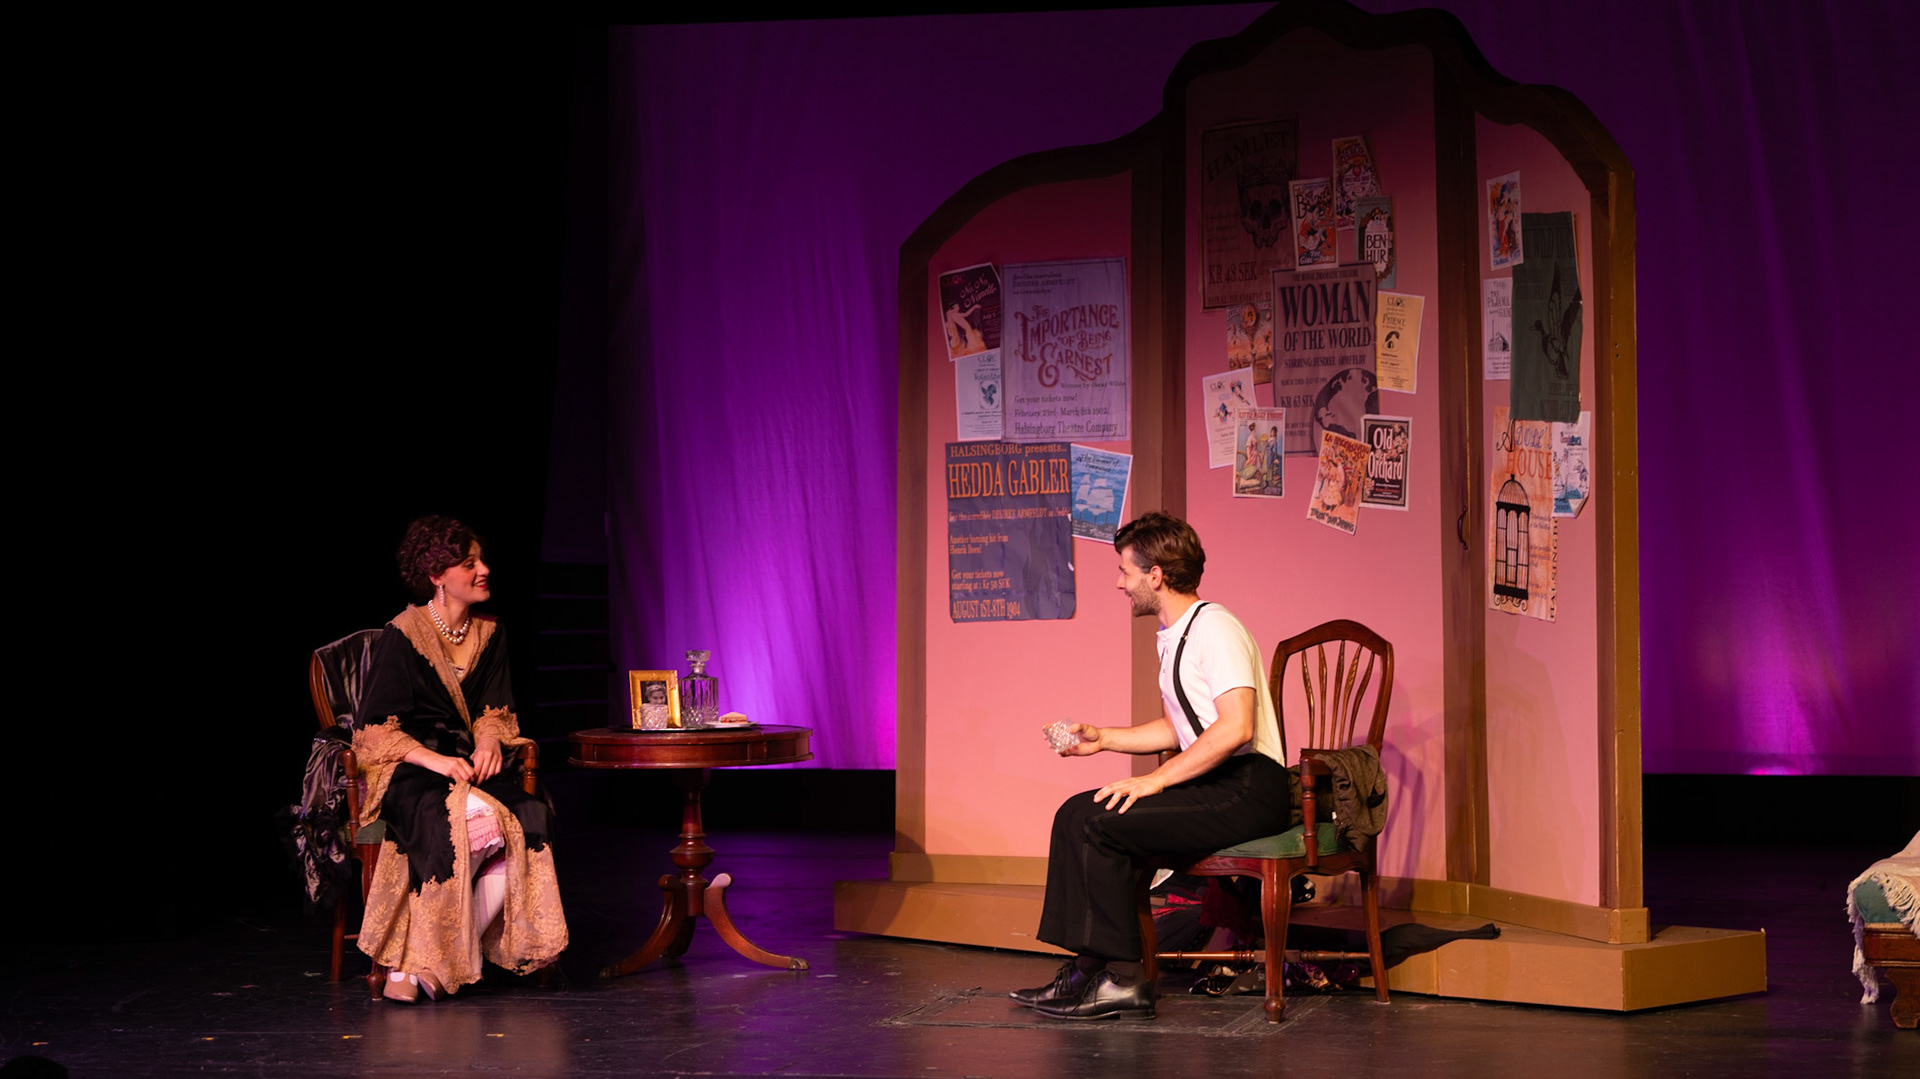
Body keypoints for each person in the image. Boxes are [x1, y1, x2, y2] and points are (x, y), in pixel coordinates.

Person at [1013, 512, 1291, 1020]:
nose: (1120, 583)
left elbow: (1236, 727)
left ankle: (1124, 978)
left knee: (1100, 823)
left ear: (1155, 575)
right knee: (1077, 812)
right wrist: (1103, 739)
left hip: (1250, 787)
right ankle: (1086, 973)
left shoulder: (1215, 628)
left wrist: (1155, 780)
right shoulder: (1174, 635)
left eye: (1125, 571)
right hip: (1215, 782)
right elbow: (1179, 727)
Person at [353, 516, 568, 1002]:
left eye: (481, 560)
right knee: (465, 821)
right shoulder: (404, 634)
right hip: (413, 772)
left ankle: (423, 968)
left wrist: (489, 741)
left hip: (472, 766)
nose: (483, 570)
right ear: (437, 575)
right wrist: (435, 761)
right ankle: (426, 963)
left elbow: (495, 707)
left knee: (532, 816)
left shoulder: (491, 633)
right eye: (469, 564)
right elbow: (374, 730)